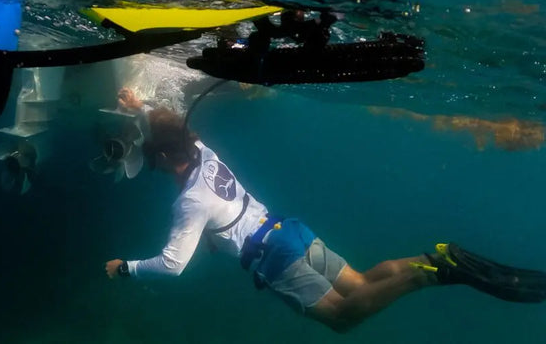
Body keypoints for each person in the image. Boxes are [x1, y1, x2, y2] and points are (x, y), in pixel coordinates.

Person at [104, 88, 546, 333]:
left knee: (341, 315)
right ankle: (435, 258)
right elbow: (172, 128)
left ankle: (432, 272)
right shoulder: (204, 152)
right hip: (286, 229)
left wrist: (126, 268)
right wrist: (140, 107)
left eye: (152, 159)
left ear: (164, 158)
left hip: (273, 256)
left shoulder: (190, 202)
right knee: (359, 282)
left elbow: (172, 265)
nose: (152, 166)